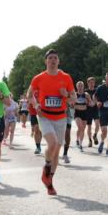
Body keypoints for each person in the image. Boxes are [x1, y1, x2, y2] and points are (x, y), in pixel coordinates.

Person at [28, 50, 76, 195]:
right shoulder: (38, 78)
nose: (53, 60)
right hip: (44, 116)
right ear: (46, 61)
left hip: (61, 117)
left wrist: (66, 95)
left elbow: (73, 98)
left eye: (55, 58)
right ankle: (46, 167)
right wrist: (36, 105)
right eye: (50, 58)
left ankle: (49, 181)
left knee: (56, 152)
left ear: (58, 61)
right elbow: (30, 95)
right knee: (53, 143)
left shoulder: (66, 77)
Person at [73, 80, 89, 152]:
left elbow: (90, 103)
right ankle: (80, 144)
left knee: (82, 129)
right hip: (77, 113)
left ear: (83, 86)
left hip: (85, 113)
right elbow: (71, 104)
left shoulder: (86, 95)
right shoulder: (75, 95)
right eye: (79, 86)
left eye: (81, 86)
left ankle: (79, 141)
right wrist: (73, 103)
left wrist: (88, 102)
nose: (80, 87)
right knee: (80, 127)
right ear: (76, 87)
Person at [86, 76, 100, 145]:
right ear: (88, 83)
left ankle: (95, 135)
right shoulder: (85, 91)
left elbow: (98, 99)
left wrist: (94, 102)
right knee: (89, 126)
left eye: (93, 82)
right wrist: (88, 103)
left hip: (95, 110)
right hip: (88, 111)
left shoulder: (97, 90)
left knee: (97, 124)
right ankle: (90, 140)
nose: (92, 84)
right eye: (90, 82)